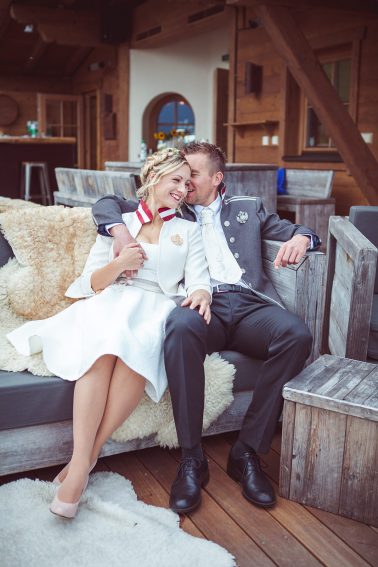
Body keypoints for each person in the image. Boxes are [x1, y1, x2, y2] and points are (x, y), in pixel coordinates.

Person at [92, 142, 321, 513]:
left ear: (217, 178)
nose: (185, 184)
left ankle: (246, 451)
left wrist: (301, 237)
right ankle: (192, 457)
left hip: (249, 305)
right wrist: (120, 233)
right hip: (198, 304)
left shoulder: (249, 207)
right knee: (179, 326)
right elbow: (106, 203)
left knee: (296, 334)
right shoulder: (170, 207)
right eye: (180, 176)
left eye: (193, 175)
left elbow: (298, 229)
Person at [7, 148, 211, 519]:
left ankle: (81, 465)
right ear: (153, 178)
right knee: (104, 347)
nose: (182, 189)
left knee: (139, 345)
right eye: (175, 180)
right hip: (111, 300)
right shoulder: (120, 221)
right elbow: (88, 283)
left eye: (187, 182)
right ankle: (83, 462)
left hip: (156, 306)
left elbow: (197, 281)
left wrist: (201, 292)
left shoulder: (188, 229)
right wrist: (119, 264)